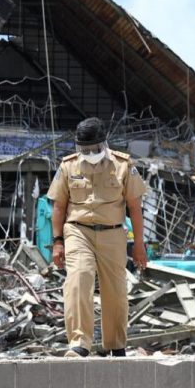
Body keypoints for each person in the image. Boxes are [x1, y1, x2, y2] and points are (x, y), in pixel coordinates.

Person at [47, 117, 148, 358]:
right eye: (84, 149)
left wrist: (139, 246)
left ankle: (115, 344)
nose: (89, 153)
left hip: (113, 232)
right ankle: (79, 343)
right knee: (78, 280)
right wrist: (58, 242)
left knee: (115, 289)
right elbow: (59, 207)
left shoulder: (123, 165)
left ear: (104, 143)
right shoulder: (68, 166)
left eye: (93, 148)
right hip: (77, 231)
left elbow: (134, 208)